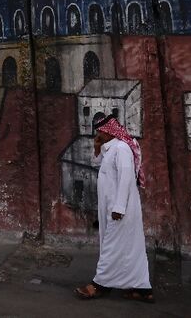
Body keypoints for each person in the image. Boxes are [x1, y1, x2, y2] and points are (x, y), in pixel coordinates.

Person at [76, 113, 154, 303]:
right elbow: (97, 163)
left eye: (101, 131)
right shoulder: (110, 149)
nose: (99, 134)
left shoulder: (121, 149)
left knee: (112, 245)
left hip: (121, 208)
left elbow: (127, 179)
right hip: (113, 206)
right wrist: (96, 147)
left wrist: (119, 207)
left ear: (109, 130)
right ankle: (142, 290)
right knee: (130, 248)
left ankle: (100, 284)